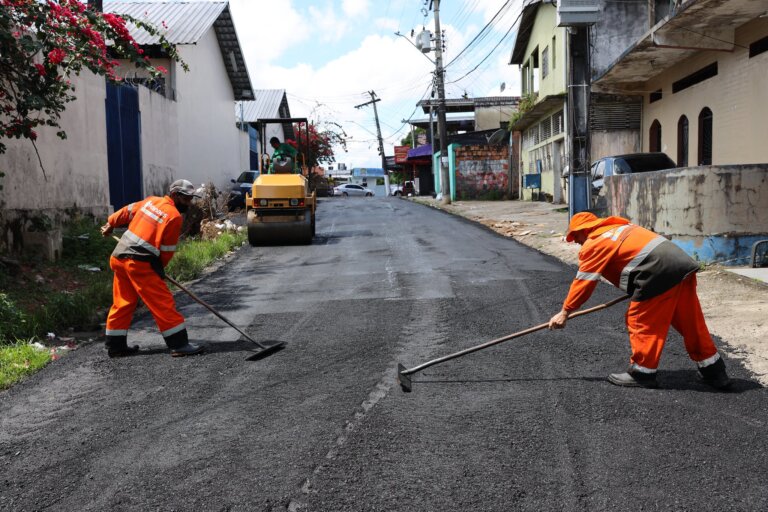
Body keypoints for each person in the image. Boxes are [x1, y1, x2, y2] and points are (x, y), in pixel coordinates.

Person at [548, 212, 731, 389]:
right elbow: (635, 257)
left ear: (583, 230)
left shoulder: (595, 242)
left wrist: (565, 312)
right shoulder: (622, 228)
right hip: (681, 266)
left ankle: (642, 373)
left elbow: (584, 282)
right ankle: (714, 372)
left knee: (639, 319)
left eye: (576, 237)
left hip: (657, 272)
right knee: (690, 322)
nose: (578, 242)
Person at [100, 179, 205, 358]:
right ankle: (179, 344)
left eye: (190, 199)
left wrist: (111, 223)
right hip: (139, 263)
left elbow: (126, 211)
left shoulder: (150, 201)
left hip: (119, 257)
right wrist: (159, 269)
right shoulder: (173, 216)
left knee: (123, 302)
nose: (189, 203)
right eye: (186, 199)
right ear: (174, 195)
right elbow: (166, 251)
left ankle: (115, 346)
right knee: (162, 303)